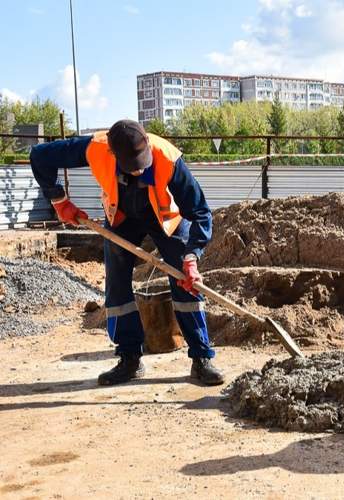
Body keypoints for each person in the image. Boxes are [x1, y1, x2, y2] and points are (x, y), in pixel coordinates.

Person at [29, 119, 224, 386]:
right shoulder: (95, 147)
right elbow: (39, 156)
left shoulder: (167, 157)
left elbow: (200, 212)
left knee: (185, 283)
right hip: (121, 216)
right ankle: (129, 358)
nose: (139, 169)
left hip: (166, 219)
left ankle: (202, 358)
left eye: (142, 162)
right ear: (113, 153)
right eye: (132, 165)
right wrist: (58, 199)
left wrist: (192, 257)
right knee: (117, 285)